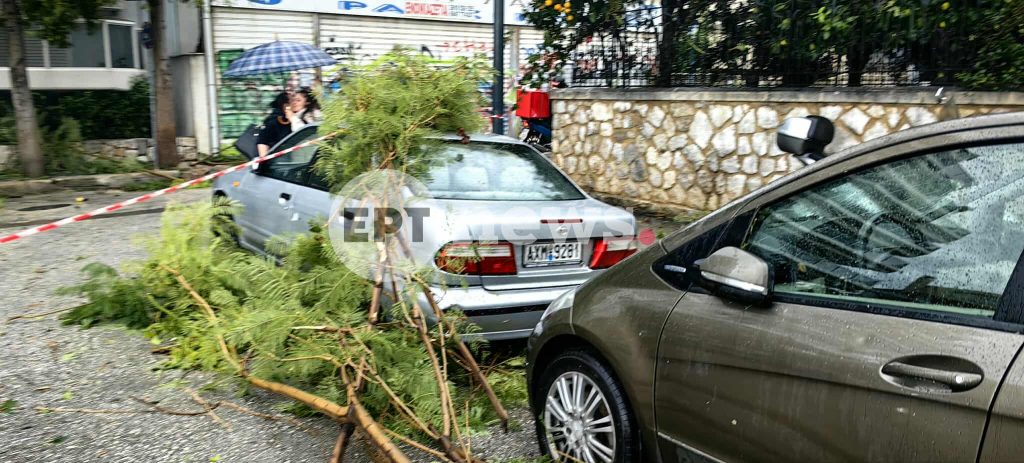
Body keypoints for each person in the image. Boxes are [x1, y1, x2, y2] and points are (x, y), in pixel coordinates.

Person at [256, 92, 293, 158]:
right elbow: (262, 141)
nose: (295, 103)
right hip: (278, 161)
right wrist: (265, 162)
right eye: (293, 101)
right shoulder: (276, 120)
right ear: (286, 106)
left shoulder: (280, 118)